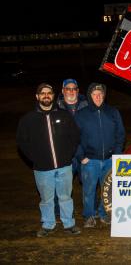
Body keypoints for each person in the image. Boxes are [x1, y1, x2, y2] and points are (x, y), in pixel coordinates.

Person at [16, 83, 81, 237]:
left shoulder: (64, 115)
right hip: (42, 168)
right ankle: (48, 224)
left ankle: (69, 223)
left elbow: (75, 136)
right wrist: (35, 158)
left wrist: (67, 155)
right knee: (46, 199)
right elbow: (22, 142)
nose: (46, 95)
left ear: (53, 96)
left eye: (49, 93)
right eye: (42, 93)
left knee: (65, 196)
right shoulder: (28, 119)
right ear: (37, 96)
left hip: (64, 166)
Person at [75, 82, 125, 228]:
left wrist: (116, 154)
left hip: (109, 159)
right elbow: (74, 138)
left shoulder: (112, 112)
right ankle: (89, 216)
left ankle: (104, 214)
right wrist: (81, 156)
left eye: (101, 94)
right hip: (90, 160)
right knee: (89, 190)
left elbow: (120, 134)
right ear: (89, 96)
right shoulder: (81, 115)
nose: (98, 96)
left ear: (104, 95)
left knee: (107, 189)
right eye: (95, 94)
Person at [53, 78, 88, 218]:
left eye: (74, 89)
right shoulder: (55, 107)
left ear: (78, 91)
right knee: (62, 186)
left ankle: (89, 212)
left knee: (88, 183)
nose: (71, 91)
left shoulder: (87, 105)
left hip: (84, 153)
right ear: (63, 91)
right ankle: (59, 211)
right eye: (68, 88)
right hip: (65, 154)